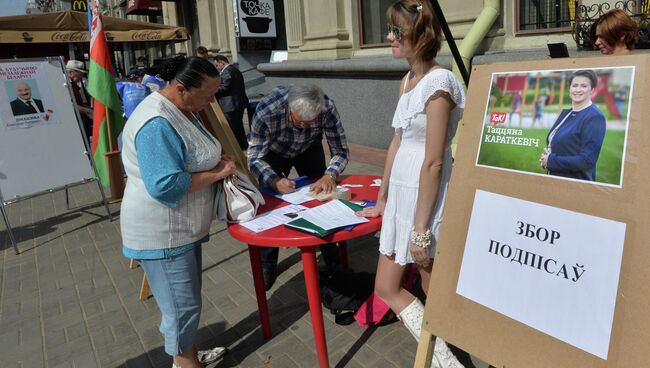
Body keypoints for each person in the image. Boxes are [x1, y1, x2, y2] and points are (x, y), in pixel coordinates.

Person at [355, 1, 466, 367]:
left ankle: (441, 357)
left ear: (419, 36)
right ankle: (444, 360)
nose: (389, 36)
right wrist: (383, 197)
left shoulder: (440, 82)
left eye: (396, 31)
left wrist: (421, 230)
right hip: (401, 195)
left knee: (433, 290)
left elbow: (434, 160)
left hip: (426, 198)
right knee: (386, 288)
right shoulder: (407, 79)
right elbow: (397, 141)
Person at [120, 56, 235, 368]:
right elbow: (165, 185)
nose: (213, 101)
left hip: (179, 229)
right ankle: (185, 365)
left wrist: (214, 160)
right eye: (209, 95)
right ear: (182, 89)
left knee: (185, 303)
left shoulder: (181, 108)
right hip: (162, 233)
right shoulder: (157, 121)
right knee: (181, 306)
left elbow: (188, 154)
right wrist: (219, 172)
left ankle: (188, 356)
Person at [247, 84, 349, 290]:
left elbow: (340, 149)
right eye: (299, 121)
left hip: (310, 148)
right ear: (287, 106)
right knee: (270, 207)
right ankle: (267, 263)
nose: (304, 126)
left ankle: (332, 258)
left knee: (321, 198)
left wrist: (329, 174)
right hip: (274, 152)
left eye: (310, 122)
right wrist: (274, 180)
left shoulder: (326, 107)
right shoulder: (267, 110)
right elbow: (255, 157)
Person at [540, 70, 606, 181]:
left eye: (584, 86)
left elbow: (587, 160)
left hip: (576, 185)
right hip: (555, 180)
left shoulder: (594, 117)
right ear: (570, 89)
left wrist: (551, 161)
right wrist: (546, 160)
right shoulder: (567, 113)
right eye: (574, 85)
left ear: (592, 91)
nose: (578, 90)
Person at [214, 55, 250, 150]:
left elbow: (224, 87)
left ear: (222, 62)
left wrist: (211, 91)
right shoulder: (235, 69)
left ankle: (233, 148)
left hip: (230, 105)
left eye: (217, 65)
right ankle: (243, 145)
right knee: (238, 126)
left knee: (231, 128)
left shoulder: (227, 72)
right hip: (239, 103)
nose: (217, 68)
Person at [66, 59, 93, 141]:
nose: (81, 77)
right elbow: (70, 105)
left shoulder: (72, 84)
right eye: (80, 74)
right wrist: (90, 111)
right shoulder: (65, 85)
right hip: (75, 123)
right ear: (71, 73)